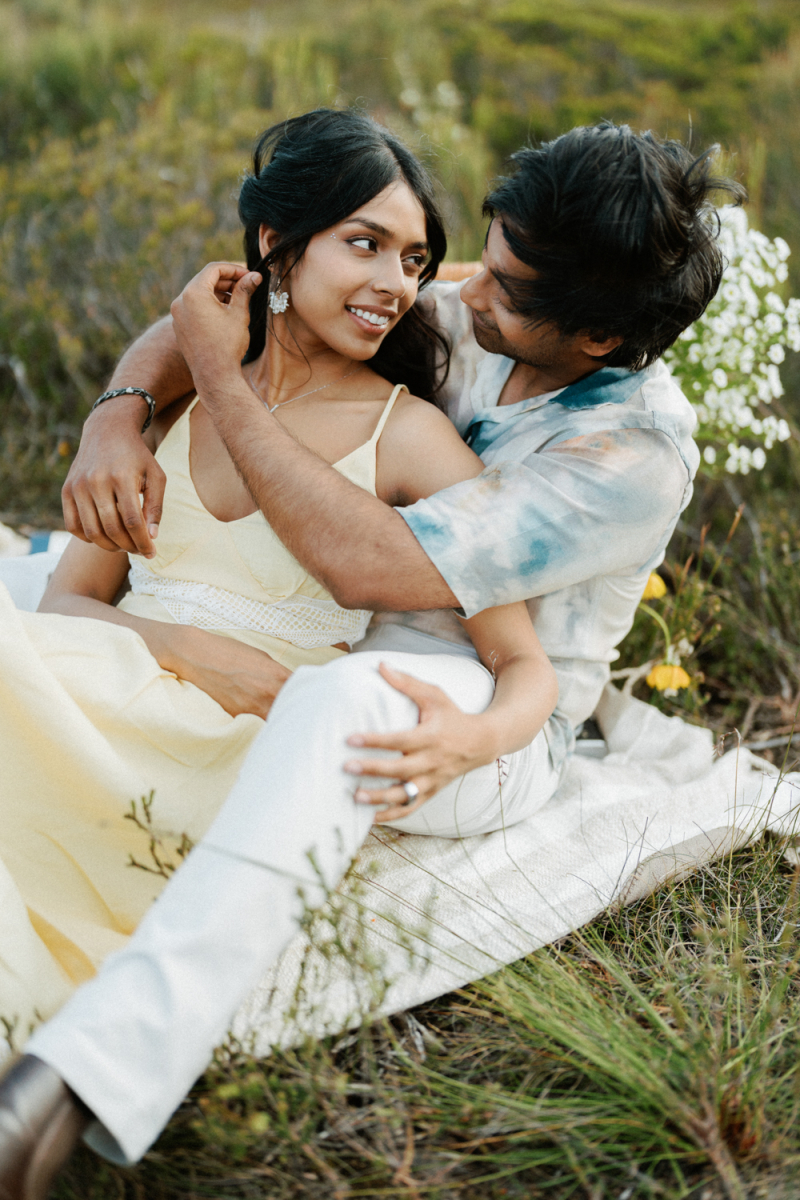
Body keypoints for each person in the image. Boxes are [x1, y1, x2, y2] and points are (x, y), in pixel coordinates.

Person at [0, 114, 743, 1194]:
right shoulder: (486, 306)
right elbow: (236, 315)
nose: (460, 290)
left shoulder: (624, 453)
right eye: (480, 257)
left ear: (591, 339)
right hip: (321, 642)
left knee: (347, 696)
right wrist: (116, 415)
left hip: (482, 704)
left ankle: (78, 1081)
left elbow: (368, 565)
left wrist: (217, 380)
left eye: (504, 283)